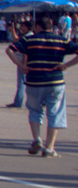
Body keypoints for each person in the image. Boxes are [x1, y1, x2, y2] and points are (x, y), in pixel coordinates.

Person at [6, 14, 78, 158]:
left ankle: (37, 139)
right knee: (55, 114)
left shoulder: (29, 39)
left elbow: (10, 49)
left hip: (34, 81)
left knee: (34, 110)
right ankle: (49, 148)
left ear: (38, 27)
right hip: (55, 82)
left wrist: (21, 65)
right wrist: (65, 65)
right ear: (51, 27)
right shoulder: (62, 40)